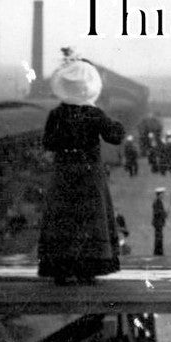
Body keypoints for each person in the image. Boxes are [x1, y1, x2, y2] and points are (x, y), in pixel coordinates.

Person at [37, 54, 125, 284]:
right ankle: (87, 270)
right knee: (90, 219)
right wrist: (115, 121)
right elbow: (115, 136)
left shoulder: (56, 114)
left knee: (62, 218)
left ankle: (60, 270)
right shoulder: (94, 114)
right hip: (89, 172)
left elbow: (48, 143)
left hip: (64, 172)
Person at [151, 187, 167, 256]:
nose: (163, 195)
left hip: (159, 222)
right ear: (159, 194)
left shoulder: (158, 201)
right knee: (159, 237)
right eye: (162, 194)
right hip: (158, 222)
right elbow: (157, 212)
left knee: (159, 237)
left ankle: (158, 251)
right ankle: (158, 251)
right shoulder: (157, 202)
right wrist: (164, 214)